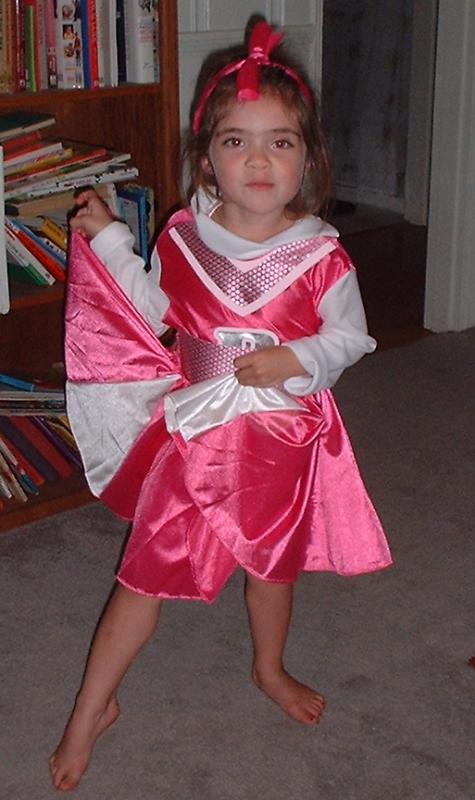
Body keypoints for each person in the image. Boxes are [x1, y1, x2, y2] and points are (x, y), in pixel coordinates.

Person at [49, 19, 392, 792]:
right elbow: (152, 307)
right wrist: (111, 240)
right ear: (207, 158)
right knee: (142, 576)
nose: (259, 160)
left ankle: (268, 667)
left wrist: (296, 359)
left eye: (280, 141)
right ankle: (90, 710)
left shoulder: (322, 254)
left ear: (307, 157)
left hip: (278, 443)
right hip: (195, 436)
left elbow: (350, 338)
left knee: (271, 567)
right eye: (237, 141)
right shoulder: (185, 238)